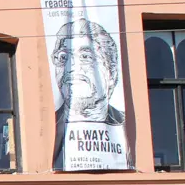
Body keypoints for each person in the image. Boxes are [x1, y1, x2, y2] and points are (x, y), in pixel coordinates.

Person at [50, 17, 128, 170]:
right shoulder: (49, 128)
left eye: (85, 57)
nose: (71, 68)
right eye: (63, 57)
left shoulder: (124, 126)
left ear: (111, 72)